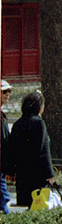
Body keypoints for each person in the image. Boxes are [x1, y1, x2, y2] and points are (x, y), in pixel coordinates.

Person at [6, 91, 56, 208]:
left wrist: (11, 171)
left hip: (22, 174)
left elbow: (11, 148)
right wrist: (49, 173)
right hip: (37, 174)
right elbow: (43, 150)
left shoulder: (17, 124)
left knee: (25, 206)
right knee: (38, 206)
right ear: (39, 107)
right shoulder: (39, 123)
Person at [1, 80, 12, 214]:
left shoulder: (3, 116)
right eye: (4, 92)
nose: (7, 94)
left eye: (9, 91)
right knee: (4, 199)